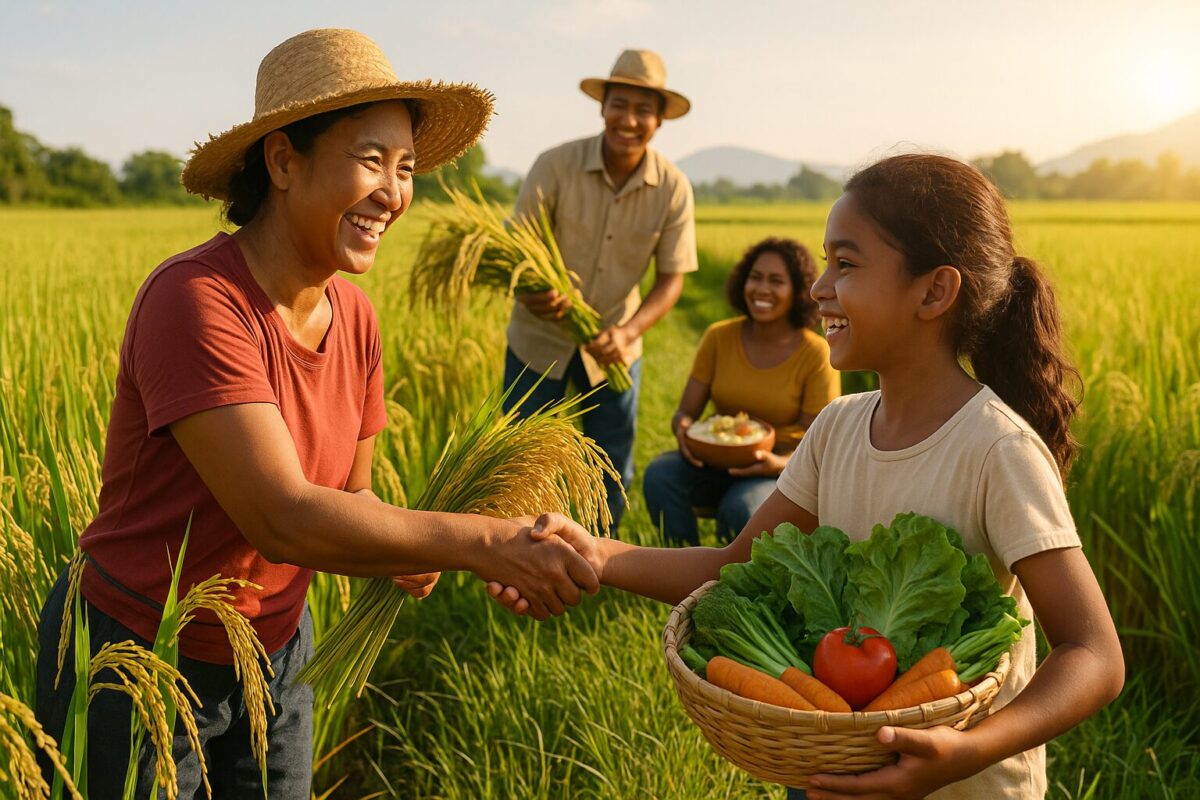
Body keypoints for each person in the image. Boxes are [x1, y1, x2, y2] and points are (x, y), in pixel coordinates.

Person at [34, 29, 601, 797]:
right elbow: (284, 516)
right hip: (141, 660)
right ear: (282, 160)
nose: (394, 193)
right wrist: (483, 543)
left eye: (406, 170)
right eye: (371, 160)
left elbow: (351, 496)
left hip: (276, 655)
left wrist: (414, 545)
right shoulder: (199, 301)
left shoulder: (356, 317)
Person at [490, 154, 1125, 799]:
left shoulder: (997, 451)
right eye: (825, 262)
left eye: (845, 265)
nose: (819, 288)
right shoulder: (838, 427)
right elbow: (733, 564)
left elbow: (1093, 654)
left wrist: (964, 753)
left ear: (934, 292)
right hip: (830, 761)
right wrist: (595, 552)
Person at [502, 48, 698, 533]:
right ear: (602, 107)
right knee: (522, 455)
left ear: (659, 120)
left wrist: (629, 331)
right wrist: (533, 292)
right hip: (537, 339)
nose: (629, 120)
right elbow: (514, 251)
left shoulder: (673, 188)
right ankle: (514, 555)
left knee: (610, 462)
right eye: (619, 105)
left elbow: (672, 278)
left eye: (643, 110)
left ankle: (599, 556)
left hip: (614, 346)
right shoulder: (554, 165)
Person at [643, 237, 839, 545]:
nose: (762, 289)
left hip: (776, 469)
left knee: (742, 508)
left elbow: (821, 445)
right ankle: (684, 571)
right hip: (714, 460)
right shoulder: (719, 337)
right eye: (755, 277)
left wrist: (777, 463)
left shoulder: (815, 353)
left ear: (798, 291)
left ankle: (733, 585)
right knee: (660, 476)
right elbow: (685, 413)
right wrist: (683, 431)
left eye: (776, 281)